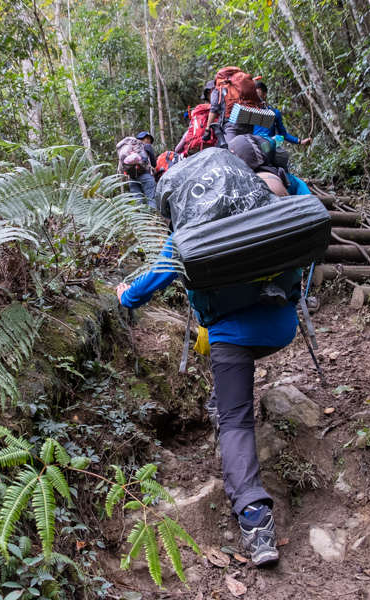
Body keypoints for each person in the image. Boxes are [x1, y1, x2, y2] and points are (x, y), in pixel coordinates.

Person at [114, 226, 299, 569]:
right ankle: (222, 395)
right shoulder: (277, 188)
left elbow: (162, 273)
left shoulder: (196, 216)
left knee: (235, 421)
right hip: (282, 325)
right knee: (233, 385)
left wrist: (127, 295)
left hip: (231, 334)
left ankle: (256, 521)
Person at [254, 81, 312, 147]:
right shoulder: (249, 111)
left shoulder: (274, 113)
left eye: (257, 93)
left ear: (265, 94)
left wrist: (301, 141)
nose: (255, 96)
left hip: (267, 146)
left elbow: (283, 134)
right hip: (251, 144)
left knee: (284, 156)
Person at [128, 131, 157, 208]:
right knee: (151, 199)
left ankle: (139, 219)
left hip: (132, 178)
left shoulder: (130, 148)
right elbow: (154, 164)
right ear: (141, 139)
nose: (149, 141)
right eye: (147, 138)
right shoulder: (147, 146)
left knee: (137, 203)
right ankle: (153, 219)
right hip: (146, 176)